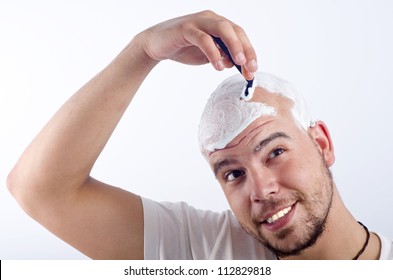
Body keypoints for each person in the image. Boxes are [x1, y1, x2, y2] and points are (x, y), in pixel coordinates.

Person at [7, 10, 393, 260]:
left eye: (275, 152)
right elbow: (40, 189)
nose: (261, 190)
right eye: (232, 173)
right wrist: (142, 52)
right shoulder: (201, 254)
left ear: (322, 143)